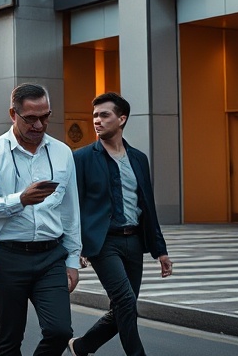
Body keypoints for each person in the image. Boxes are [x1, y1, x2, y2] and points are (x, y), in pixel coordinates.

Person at [0, 83, 81, 356]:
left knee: (60, 331)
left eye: (45, 117)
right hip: (8, 257)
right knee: (10, 338)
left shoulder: (62, 152)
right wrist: (19, 200)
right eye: (31, 118)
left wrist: (73, 260)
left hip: (51, 257)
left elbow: (70, 211)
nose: (40, 125)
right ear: (13, 113)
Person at [69, 92, 173, 356]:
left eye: (105, 115)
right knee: (126, 301)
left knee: (123, 307)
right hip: (103, 242)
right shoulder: (81, 158)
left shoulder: (138, 158)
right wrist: (74, 247)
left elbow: (147, 206)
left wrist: (160, 250)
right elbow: (72, 206)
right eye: (95, 115)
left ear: (121, 119)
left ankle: (83, 345)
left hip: (134, 240)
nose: (97, 120)